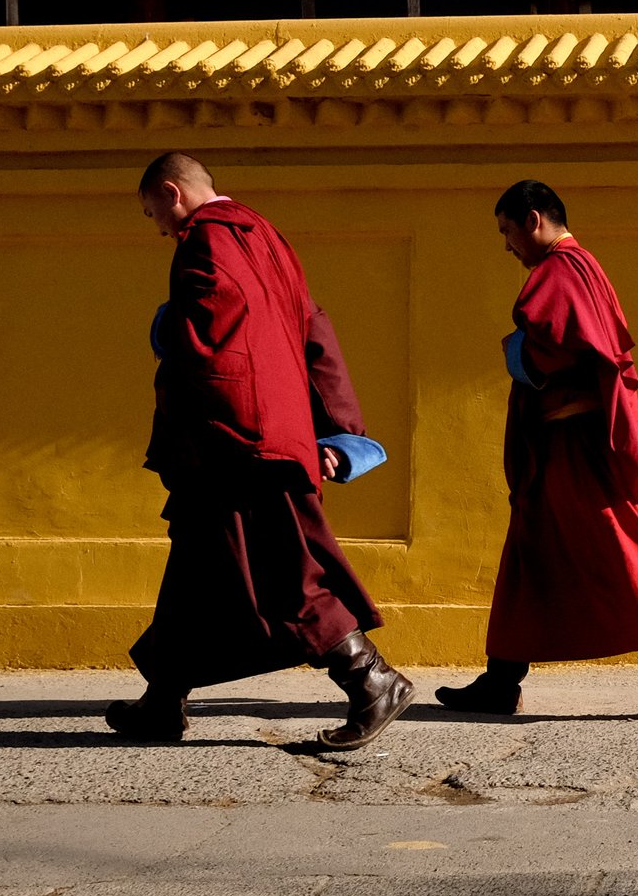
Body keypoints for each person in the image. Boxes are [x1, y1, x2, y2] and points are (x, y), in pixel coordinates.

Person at [107, 152, 415, 749]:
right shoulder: (266, 237)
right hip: (274, 430)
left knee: (282, 570)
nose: (159, 228)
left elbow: (206, 332)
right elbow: (313, 328)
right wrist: (334, 428)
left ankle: (371, 679)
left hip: (237, 439)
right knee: (195, 568)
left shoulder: (206, 242)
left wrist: (163, 327)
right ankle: (162, 702)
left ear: (173, 194)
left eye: (154, 214)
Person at [437, 180, 638, 719]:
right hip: (562, 444)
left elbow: (554, 346)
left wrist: (518, 351)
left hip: (570, 445)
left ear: (532, 219)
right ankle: (501, 679)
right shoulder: (585, 268)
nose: (507, 246)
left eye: (507, 231)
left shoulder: (558, 271)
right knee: (529, 556)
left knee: (614, 546)